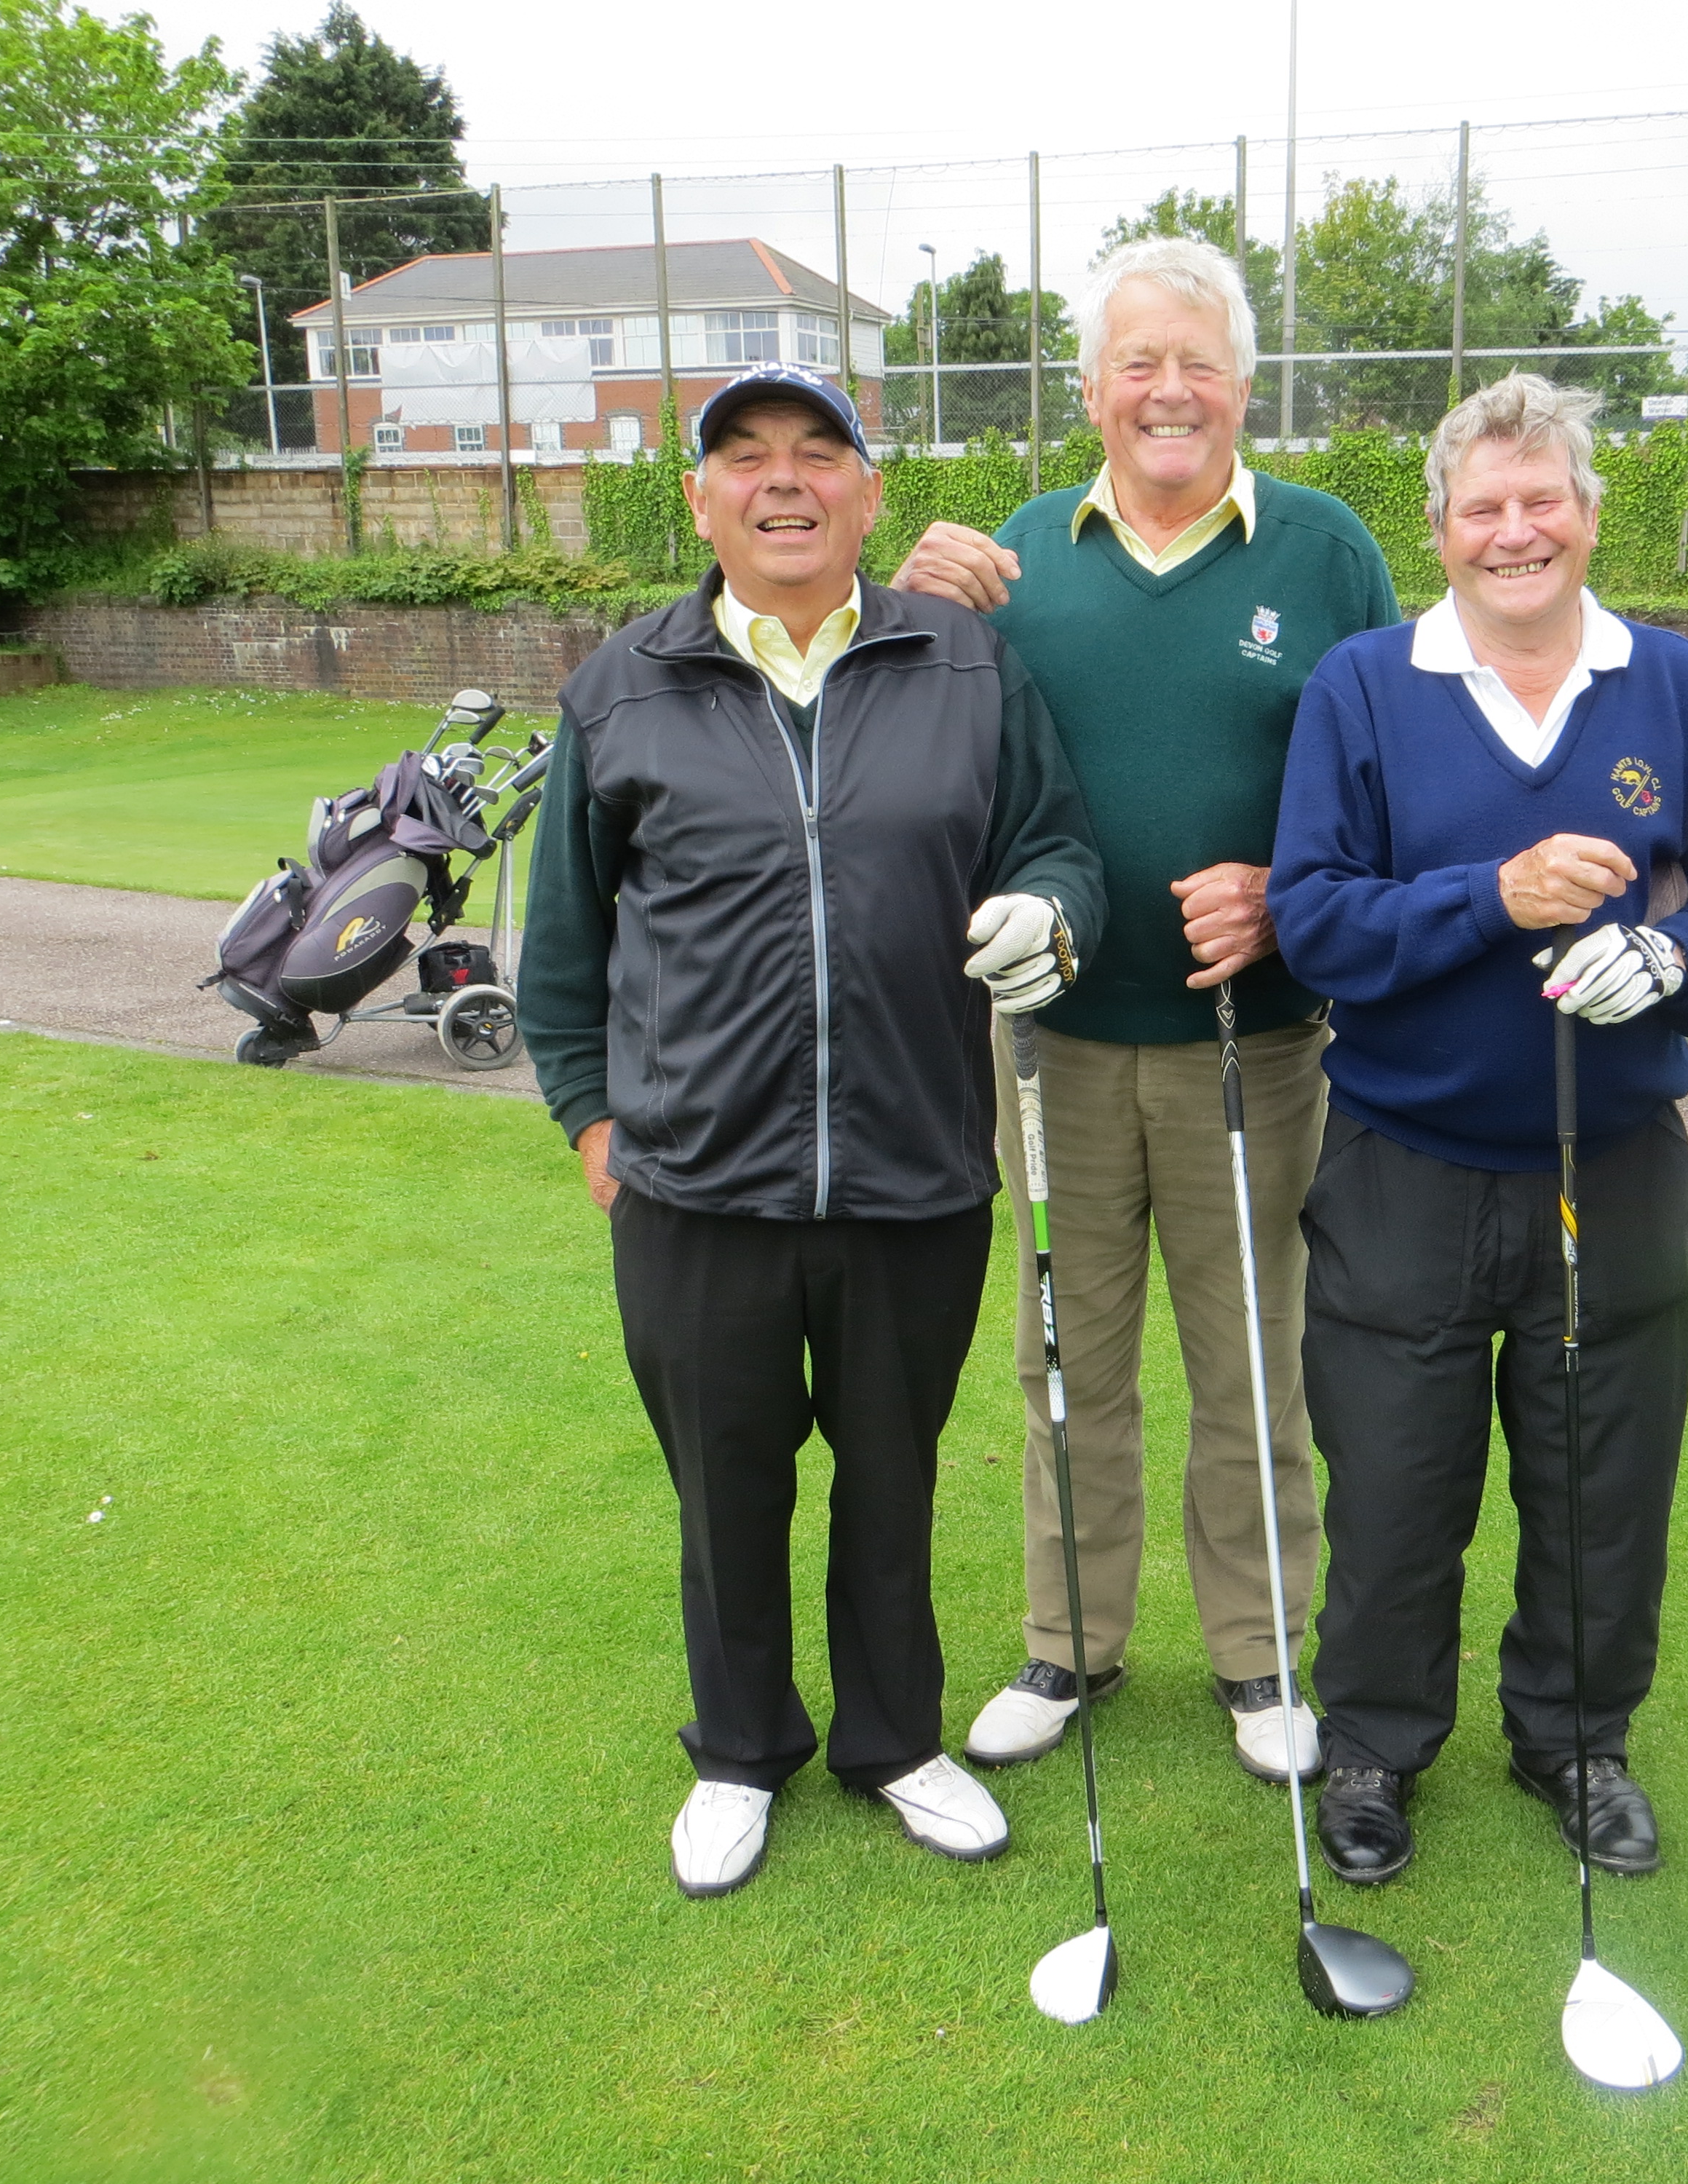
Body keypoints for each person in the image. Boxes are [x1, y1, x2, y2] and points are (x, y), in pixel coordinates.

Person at [519, 362, 1108, 1898]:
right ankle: (737, 1748)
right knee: (724, 1484)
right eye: (745, 459)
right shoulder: (621, 684)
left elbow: (1053, 840)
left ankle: (892, 1740)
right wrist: (593, 1125)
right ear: (702, 498)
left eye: (815, 455)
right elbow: (565, 949)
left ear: (867, 491)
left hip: (914, 1167)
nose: (783, 483)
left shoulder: (965, 664)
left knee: (889, 1476)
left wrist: (1050, 906)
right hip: (693, 1185)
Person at [892, 236, 1400, 1783]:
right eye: (1136, 363)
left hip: (1252, 1048)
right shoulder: (1009, 557)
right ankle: (1069, 1646)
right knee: (1065, 1355)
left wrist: (1289, 891)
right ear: (1091, 390)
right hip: (1043, 1046)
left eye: (1195, 362)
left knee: (1251, 1358)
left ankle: (1256, 1661)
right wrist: (903, 607)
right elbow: (915, 764)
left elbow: (1392, 787)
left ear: (1242, 386)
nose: (1166, 391)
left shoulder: (1325, 552)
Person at [1266, 373, 1688, 1884]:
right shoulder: (1363, 684)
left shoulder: (1670, 683)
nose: (1513, 531)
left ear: (1588, 513)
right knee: (1395, 1484)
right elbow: (1309, 921)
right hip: (1401, 1161)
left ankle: (1571, 1739)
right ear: (1438, 529)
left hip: (1607, 1166)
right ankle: (1372, 1747)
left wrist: (1668, 962)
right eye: (1481, 506)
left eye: (1539, 498)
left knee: (1599, 1482)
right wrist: (1490, 896)